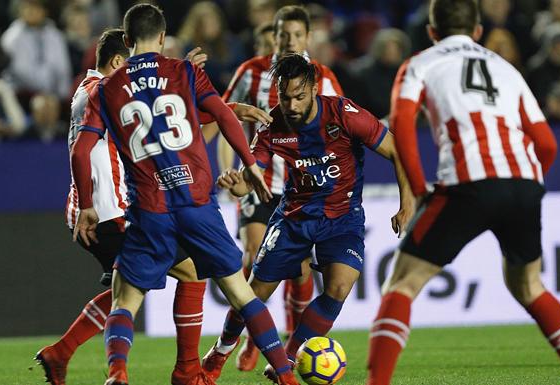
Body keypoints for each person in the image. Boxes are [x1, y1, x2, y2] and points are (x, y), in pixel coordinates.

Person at [365, 1, 560, 385]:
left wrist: (420, 186)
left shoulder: (420, 64)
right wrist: (524, 182)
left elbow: (404, 126)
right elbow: (547, 144)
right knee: (529, 286)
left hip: (468, 181)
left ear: (431, 32)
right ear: (477, 30)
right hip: (524, 182)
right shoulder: (507, 69)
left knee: (403, 285)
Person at [70, 5, 299, 385]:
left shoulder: (107, 88)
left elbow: (81, 150)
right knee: (242, 294)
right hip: (196, 202)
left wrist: (88, 205)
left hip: (149, 208)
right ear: (162, 37)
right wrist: (252, 164)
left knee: (125, 298)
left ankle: (117, 372)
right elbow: (226, 117)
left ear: (127, 41)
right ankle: (287, 376)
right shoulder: (184, 71)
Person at [202, 53, 415, 383]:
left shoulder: (344, 114)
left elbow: (397, 150)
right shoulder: (273, 126)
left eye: (299, 97)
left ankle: (287, 358)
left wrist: (407, 202)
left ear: (314, 89)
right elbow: (249, 179)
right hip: (294, 218)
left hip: (342, 217)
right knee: (253, 294)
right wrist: (237, 183)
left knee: (340, 286)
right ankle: (220, 350)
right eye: (285, 97)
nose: (292, 105)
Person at [35, 28, 216, 385]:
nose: (141, 74)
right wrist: (180, 73)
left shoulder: (88, 91)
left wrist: (182, 78)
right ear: (118, 62)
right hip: (110, 212)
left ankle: (62, 353)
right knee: (191, 271)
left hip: (104, 211)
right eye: (134, 64)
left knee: (129, 290)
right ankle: (187, 371)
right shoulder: (101, 92)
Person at [214, 6, 344, 371]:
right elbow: (224, 115)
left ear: (307, 38)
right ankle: (251, 337)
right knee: (256, 257)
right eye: (283, 35)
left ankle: (290, 340)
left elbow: (339, 126)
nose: (288, 41)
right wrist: (233, 165)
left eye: (296, 36)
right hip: (260, 184)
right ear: (275, 36)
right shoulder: (251, 72)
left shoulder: (324, 78)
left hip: (302, 189)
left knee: (300, 270)